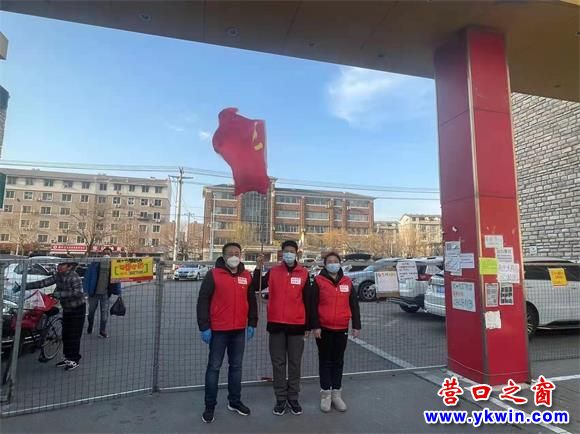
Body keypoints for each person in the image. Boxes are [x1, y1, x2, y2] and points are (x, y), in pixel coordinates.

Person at [196, 242, 258, 424]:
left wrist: (252, 323)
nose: (234, 256)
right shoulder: (213, 275)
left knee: (236, 367)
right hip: (218, 331)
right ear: (223, 256)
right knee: (214, 368)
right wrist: (204, 326)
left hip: (239, 330)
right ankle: (210, 406)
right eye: (230, 253)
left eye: (237, 253)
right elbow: (203, 300)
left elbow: (252, 301)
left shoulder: (246, 276)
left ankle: (234, 401)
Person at [254, 240, 311, 416]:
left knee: (295, 363)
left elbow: (308, 301)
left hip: (297, 325)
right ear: (281, 253)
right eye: (286, 251)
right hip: (276, 324)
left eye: (292, 251)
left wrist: (308, 325)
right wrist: (258, 268)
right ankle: (280, 398)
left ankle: (293, 397)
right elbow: (257, 285)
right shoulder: (274, 272)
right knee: (278, 363)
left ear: (297, 253)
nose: (289, 254)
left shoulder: (304, 273)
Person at [310, 252, 361, 413]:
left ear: (340, 263)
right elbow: (312, 305)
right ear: (325, 265)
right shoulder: (318, 281)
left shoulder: (347, 281)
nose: (333, 264)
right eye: (330, 261)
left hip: (341, 328)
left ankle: (336, 394)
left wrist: (356, 325)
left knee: (338, 361)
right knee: (325, 361)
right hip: (324, 328)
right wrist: (315, 326)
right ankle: (325, 394)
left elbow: (354, 304)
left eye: (335, 261)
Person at [24, 260, 86, 371]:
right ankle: (67, 358)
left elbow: (78, 292)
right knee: (66, 334)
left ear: (69, 266)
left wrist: (60, 294)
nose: (59, 266)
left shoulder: (73, 276)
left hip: (77, 308)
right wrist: (25, 286)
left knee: (74, 335)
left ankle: (74, 359)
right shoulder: (58, 275)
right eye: (59, 264)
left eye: (62, 265)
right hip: (67, 308)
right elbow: (43, 283)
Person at [84, 247, 121, 338]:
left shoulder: (113, 266)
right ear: (102, 254)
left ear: (111, 255)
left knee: (104, 314)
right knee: (91, 312)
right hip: (94, 293)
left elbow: (117, 279)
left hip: (105, 294)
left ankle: (102, 330)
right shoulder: (95, 264)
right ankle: (90, 325)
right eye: (105, 253)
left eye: (108, 253)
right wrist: (86, 290)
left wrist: (118, 291)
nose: (106, 254)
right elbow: (87, 277)